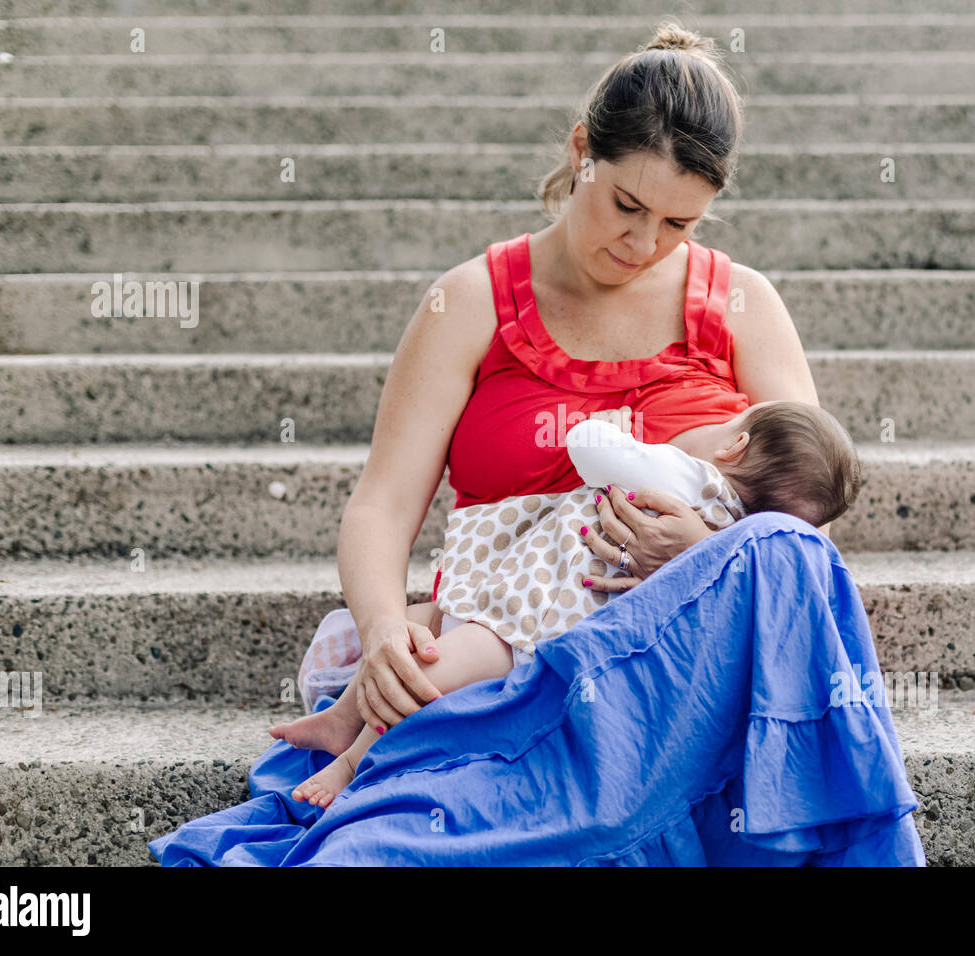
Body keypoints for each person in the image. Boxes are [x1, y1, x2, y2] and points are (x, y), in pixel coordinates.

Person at [148, 20, 925, 866]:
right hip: (506, 655)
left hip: (669, 682)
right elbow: (380, 505)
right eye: (626, 205)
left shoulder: (741, 303)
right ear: (582, 150)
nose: (642, 244)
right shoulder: (471, 302)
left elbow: (797, 517)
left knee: (780, 549)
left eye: (677, 222)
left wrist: (703, 548)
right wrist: (381, 633)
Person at [271, 400, 862, 808]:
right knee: (410, 632)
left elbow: (588, 447)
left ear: (735, 443)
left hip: (521, 624)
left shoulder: (687, 475)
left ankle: (351, 761)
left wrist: (614, 430)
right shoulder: (733, 540)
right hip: (521, 601)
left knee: (422, 667)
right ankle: (340, 717)